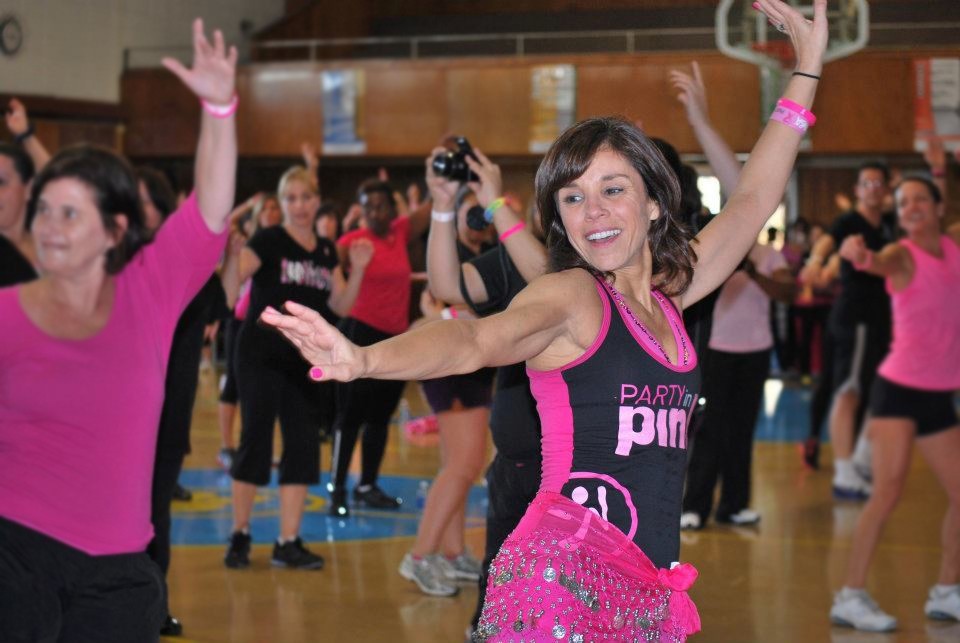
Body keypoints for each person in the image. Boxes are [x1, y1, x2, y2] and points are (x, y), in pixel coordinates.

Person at [262, 3, 827, 638]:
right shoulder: (572, 297)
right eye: (573, 198)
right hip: (562, 582)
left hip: (644, 581)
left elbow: (751, 199)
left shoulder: (672, 296)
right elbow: (475, 338)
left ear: (655, 204)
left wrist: (806, 68)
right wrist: (367, 359)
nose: (593, 212)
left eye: (613, 188)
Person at [0, 18, 236, 641]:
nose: (50, 225)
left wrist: (219, 107)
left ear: (113, 229)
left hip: (119, 574)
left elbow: (211, 211)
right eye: (45, 209)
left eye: (70, 213)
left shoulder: (148, 294)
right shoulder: (6, 314)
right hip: (13, 556)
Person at [221, 165, 370, 570]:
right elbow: (232, 287)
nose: (299, 206)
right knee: (255, 440)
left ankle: (288, 541)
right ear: (282, 203)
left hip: (306, 361)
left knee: (303, 447)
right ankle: (240, 533)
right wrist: (232, 257)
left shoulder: (325, 250)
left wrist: (357, 270)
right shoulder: (267, 240)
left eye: (306, 198)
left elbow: (340, 305)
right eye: (291, 199)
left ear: (316, 200)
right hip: (260, 355)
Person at [829, 176, 960, 632]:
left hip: (939, 394)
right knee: (886, 493)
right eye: (903, 203)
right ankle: (850, 596)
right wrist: (859, 256)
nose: (911, 207)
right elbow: (876, 261)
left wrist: (943, 166)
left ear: (939, 206)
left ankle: (947, 590)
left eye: (921, 198)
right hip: (899, 391)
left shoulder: (953, 249)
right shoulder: (903, 255)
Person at [397, 186, 496, 598]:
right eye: (471, 213)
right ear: (454, 215)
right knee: (465, 463)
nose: (478, 222)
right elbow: (437, 307)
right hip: (453, 365)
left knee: (458, 464)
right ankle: (420, 557)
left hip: (472, 363)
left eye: (483, 214)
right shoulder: (450, 253)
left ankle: (453, 553)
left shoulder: (486, 254)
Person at [326, 178, 431, 517]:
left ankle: (367, 485)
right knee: (350, 417)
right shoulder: (353, 241)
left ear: (392, 209)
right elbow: (322, 255)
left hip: (394, 340)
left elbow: (431, 210)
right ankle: (338, 488)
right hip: (358, 336)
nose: (374, 212)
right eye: (367, 207)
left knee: (380, 417)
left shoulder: (400, 232)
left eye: (380, 206)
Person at [217, 192, 282, 470]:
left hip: (267, 325)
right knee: (233, 384)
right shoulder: (248, 239)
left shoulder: (284, 241)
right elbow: (223, 224)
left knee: (263, 392)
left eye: (273, 207)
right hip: (240, 320)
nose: (270, 212)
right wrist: (246, 204)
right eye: (265, 208)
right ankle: (226, 446)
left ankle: (258, 447)